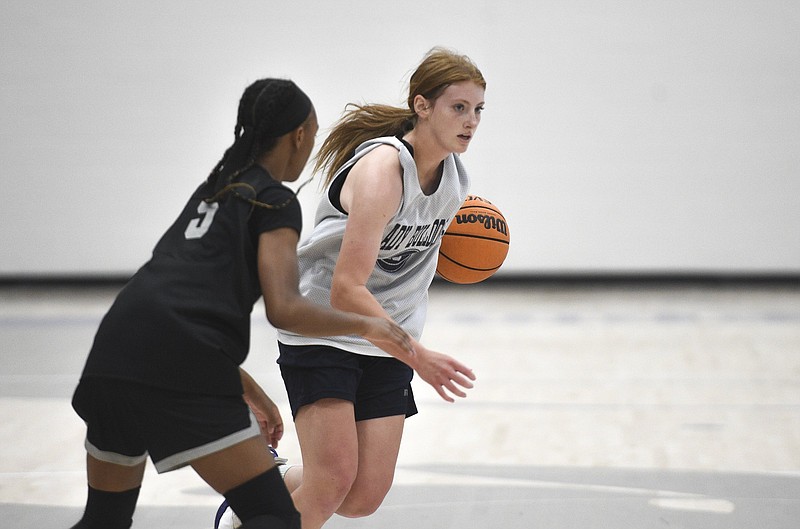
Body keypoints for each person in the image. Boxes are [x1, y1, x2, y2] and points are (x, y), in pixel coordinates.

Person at [68, 78, 414, 529]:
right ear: (298, 136)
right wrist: (369, 326)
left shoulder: (215, 189)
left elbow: (166, 315)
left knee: (104, 522)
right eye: (311, 134)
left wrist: (246, 388)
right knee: (274, 517)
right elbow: (284, 308)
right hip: (181, 369)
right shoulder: (274, 201)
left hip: (112, 354)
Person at [218, 48, 486, 529]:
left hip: (384, 341)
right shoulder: (383, 171)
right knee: (331, 483)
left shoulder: (454, 181)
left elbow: (406, 261)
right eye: (458, 107)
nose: (471, 121)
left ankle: (263, 493)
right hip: (324, 328)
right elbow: (346, 289)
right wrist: (419, 356)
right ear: (422, 106)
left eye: (478, 110)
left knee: (362, 496)